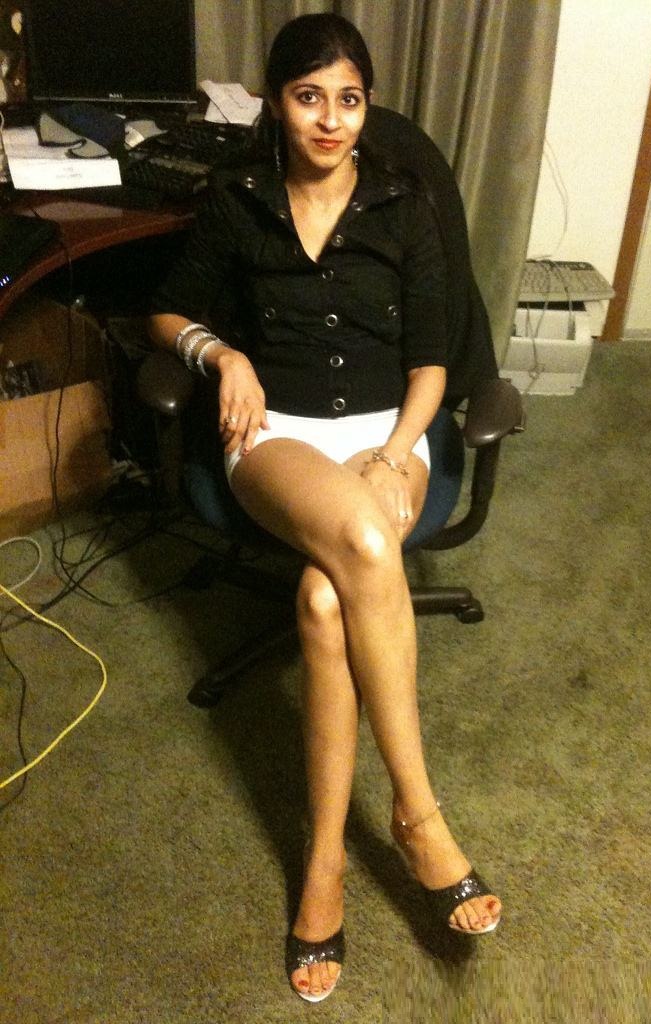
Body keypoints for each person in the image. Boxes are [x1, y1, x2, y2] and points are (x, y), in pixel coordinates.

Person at [148, 12, 501, 1004]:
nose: (331, 119)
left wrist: (394, 455)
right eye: (309, 97)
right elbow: (166, 309)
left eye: (349, 99)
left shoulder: (404, 203)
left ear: (367, 106)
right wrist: (223, 354)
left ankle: (323, 868)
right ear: (277, 103)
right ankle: (420, 817)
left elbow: (432, 362)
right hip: (277, 438)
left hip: (393, 431)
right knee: (359, 540)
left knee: (320, 598)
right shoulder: (237, 200)